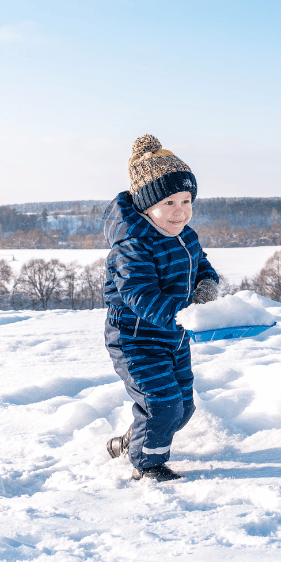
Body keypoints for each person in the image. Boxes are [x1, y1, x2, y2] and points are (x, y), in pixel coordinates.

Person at [102, 134, 219, 482]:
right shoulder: (132, 246)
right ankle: (147, 465)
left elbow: (203, 267)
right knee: (163, 406)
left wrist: (207, 286)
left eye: (186, 200)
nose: (180, 210)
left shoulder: (187, 236)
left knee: (182, 409)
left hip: (175, 337)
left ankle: (132, 439)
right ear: (146, 205)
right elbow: (140, 296)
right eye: (169, 202)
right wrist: (187, 312)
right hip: (136, 340)